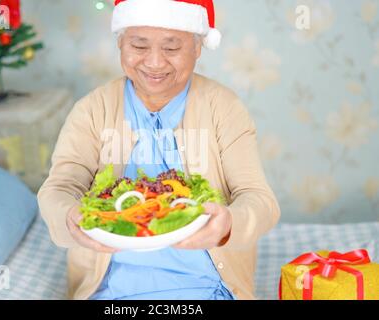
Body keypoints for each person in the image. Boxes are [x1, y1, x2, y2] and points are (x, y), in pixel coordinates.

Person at [38, 0, 280, 300]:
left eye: (172, 48)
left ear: (198, 47)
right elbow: (59, 188)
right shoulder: (92, 110)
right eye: (139, 46)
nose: (154, 63)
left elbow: (259, 199)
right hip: (111, 294)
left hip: (206, 290)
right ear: (120, 44)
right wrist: (68, 216)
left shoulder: (224, 108)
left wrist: (229, 223)